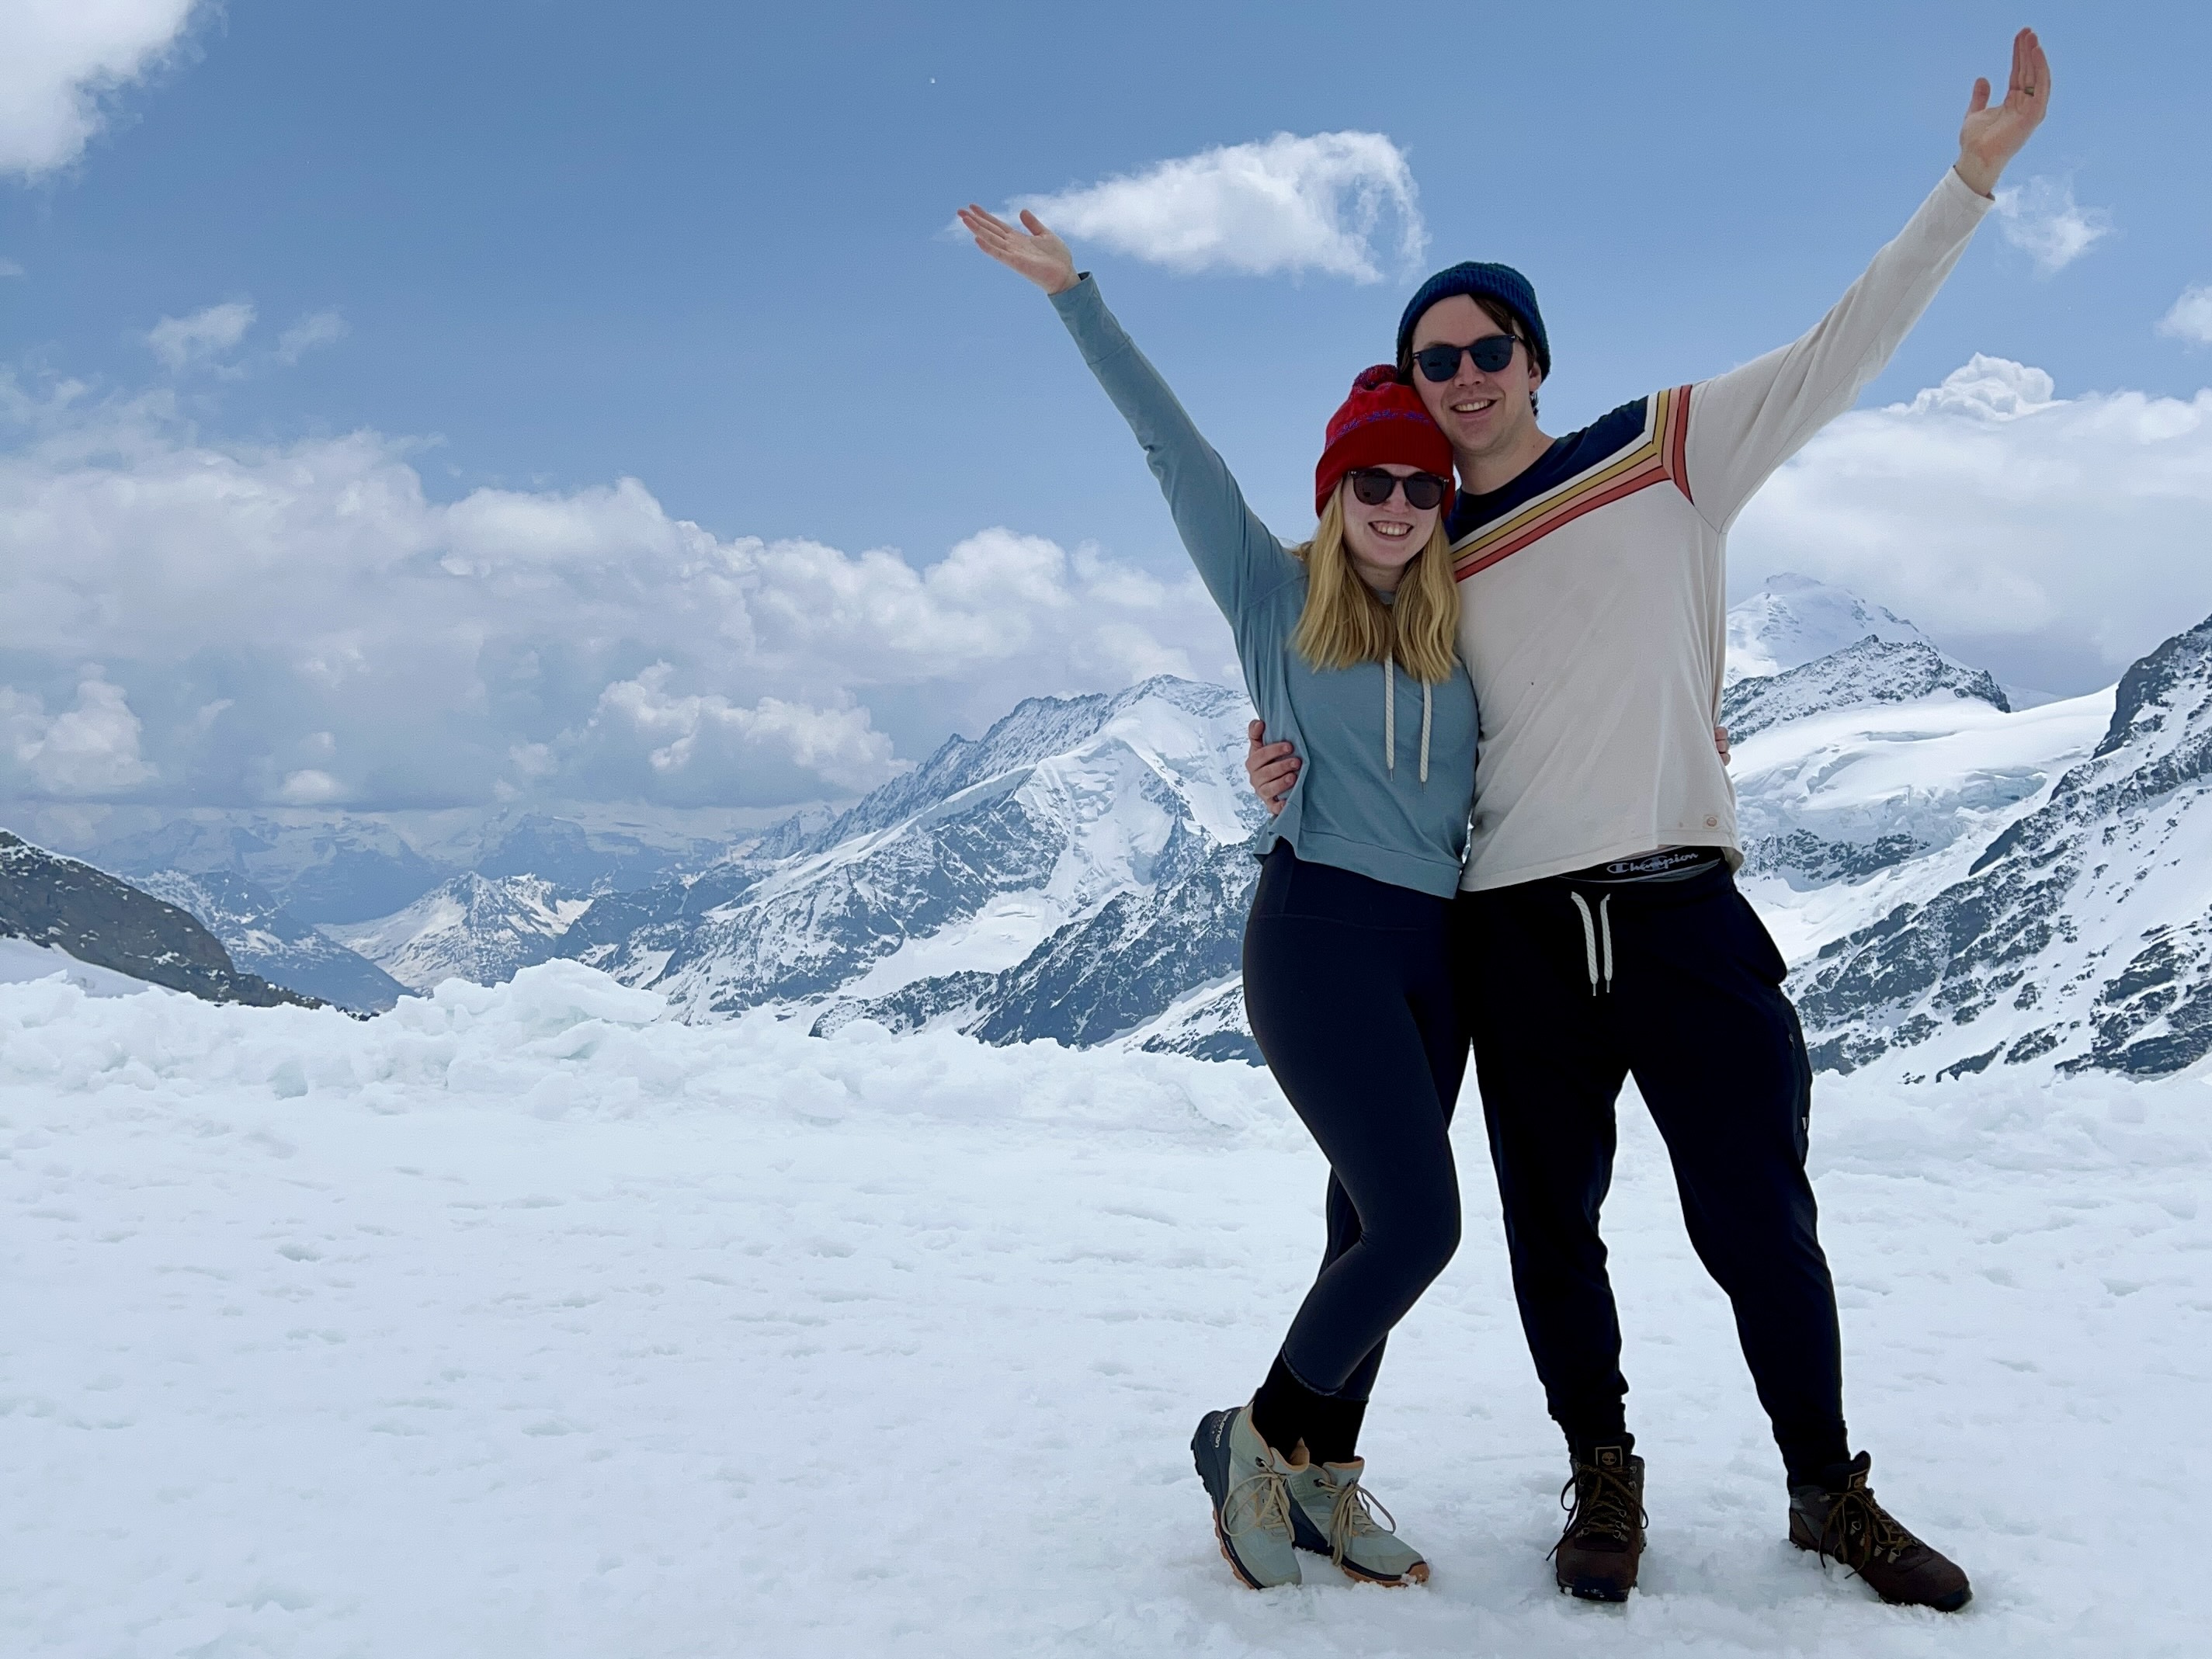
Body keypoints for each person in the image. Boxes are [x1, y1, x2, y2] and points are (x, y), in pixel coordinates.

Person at [1242, 27, 2051, 1611]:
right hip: (1515, 928)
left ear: (1536, 358)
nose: (1465, 379)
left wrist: (1968, 183)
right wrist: (1273, 763)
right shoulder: (1421, 545)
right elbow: (1339, 693)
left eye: (1488, 351)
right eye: (1436, 362)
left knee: (1759, 1211)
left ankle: (1828, 1487)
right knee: (1556, 1227)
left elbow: (1843, 348)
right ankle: (1600, 1469)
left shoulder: (1669, 451)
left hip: (1683, 905)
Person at [958, 199, 1481, 1591]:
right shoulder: (1270, 592)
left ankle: (1322, 1476)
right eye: (1370, 483)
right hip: (1316, 936)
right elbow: (1166, 446)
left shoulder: (1462, 618)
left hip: (1442, 953)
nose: (1394, 506)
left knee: (1363, 1227)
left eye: (1420, 487)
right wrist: (1075, 293)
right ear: (1332, 493)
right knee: (1422, 1226)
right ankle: (1250, 1432)